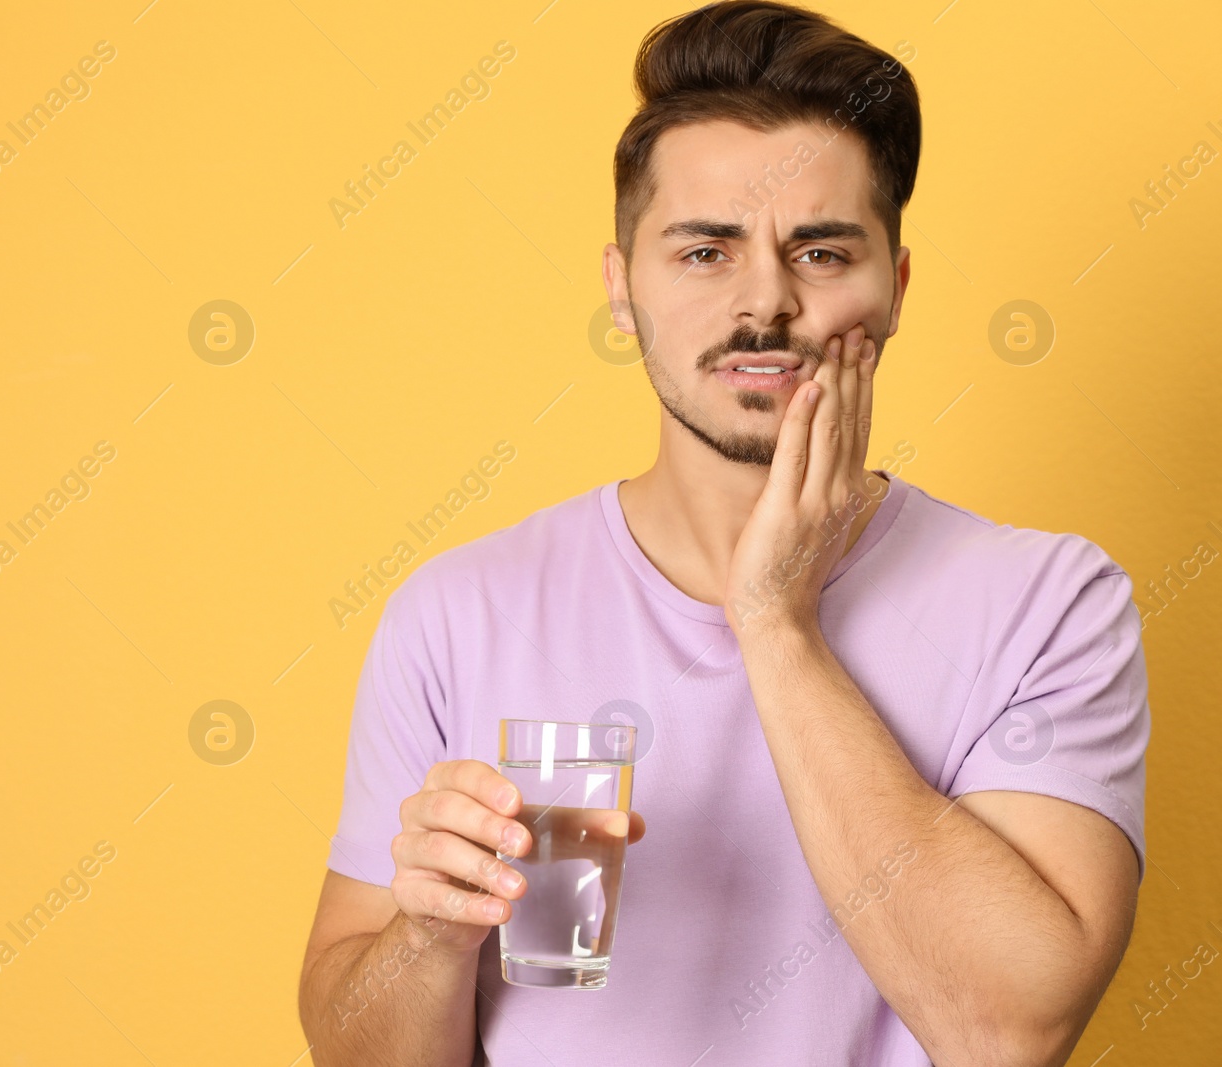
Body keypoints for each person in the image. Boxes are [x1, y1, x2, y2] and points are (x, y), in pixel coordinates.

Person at [297, 3, 1150, 1064]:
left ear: (895, 289)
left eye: (822, 251)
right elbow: (351, 1047)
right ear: (622, 287)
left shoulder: (1047, 601)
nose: (765, 302)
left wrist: (774, 619)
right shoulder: (458, 610)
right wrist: (428, 935)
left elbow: (1008, 1029)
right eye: (705, 250)